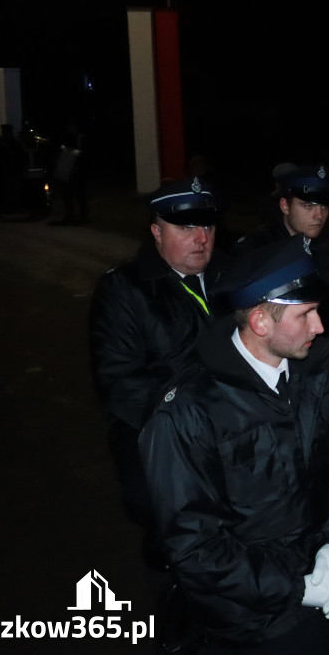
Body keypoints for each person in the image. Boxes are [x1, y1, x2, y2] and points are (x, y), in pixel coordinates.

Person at [139, 240, 329, 654]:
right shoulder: (188, 411)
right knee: (305, 638)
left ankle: (316, 610)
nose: (320, 326)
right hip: (249, 567)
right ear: (261, 322)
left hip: (315, 536)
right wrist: (296, 588)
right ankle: (231, 628)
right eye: (305, 315)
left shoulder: (316, 369)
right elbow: (195, 546)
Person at [88, 176, 225, 568]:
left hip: (233, 412)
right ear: (156, 231)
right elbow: (118, 381)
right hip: (156, 422)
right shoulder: (124, 290)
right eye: (185, 227)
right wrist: (191, 416)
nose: (201, 237)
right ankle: (172, 567)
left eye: (208, 226)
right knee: (154, 499)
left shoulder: (232, 279)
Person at [235, 165, 329, 353]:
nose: (319, 216)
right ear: (285, 206)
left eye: (324, 206)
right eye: (308, 206)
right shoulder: (258, 250)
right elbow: (243, 318)